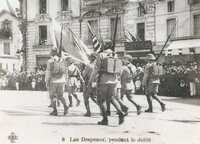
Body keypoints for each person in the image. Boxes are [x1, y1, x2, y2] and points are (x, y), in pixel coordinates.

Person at [89, 44, 126, 125]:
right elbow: (120, 69)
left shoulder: (101, 55)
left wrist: (91, 80)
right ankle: (120, 113)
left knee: (101, 101)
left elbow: (96, 69)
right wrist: (117, 78)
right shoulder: (115, 55)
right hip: (114, 80)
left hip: (103, 80)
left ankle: (105, 120)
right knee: (112, 98)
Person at [45, 48, 68, 116]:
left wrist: (47, 81)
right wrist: (65, 80)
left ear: (52, 53)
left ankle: (55, 111)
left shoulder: (50, 61)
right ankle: (65, 106)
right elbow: (65, 71)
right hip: (62, 80)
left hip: (53, 80)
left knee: (52, 96)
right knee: (61, 96)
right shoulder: (63, 60)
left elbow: (48, 72)